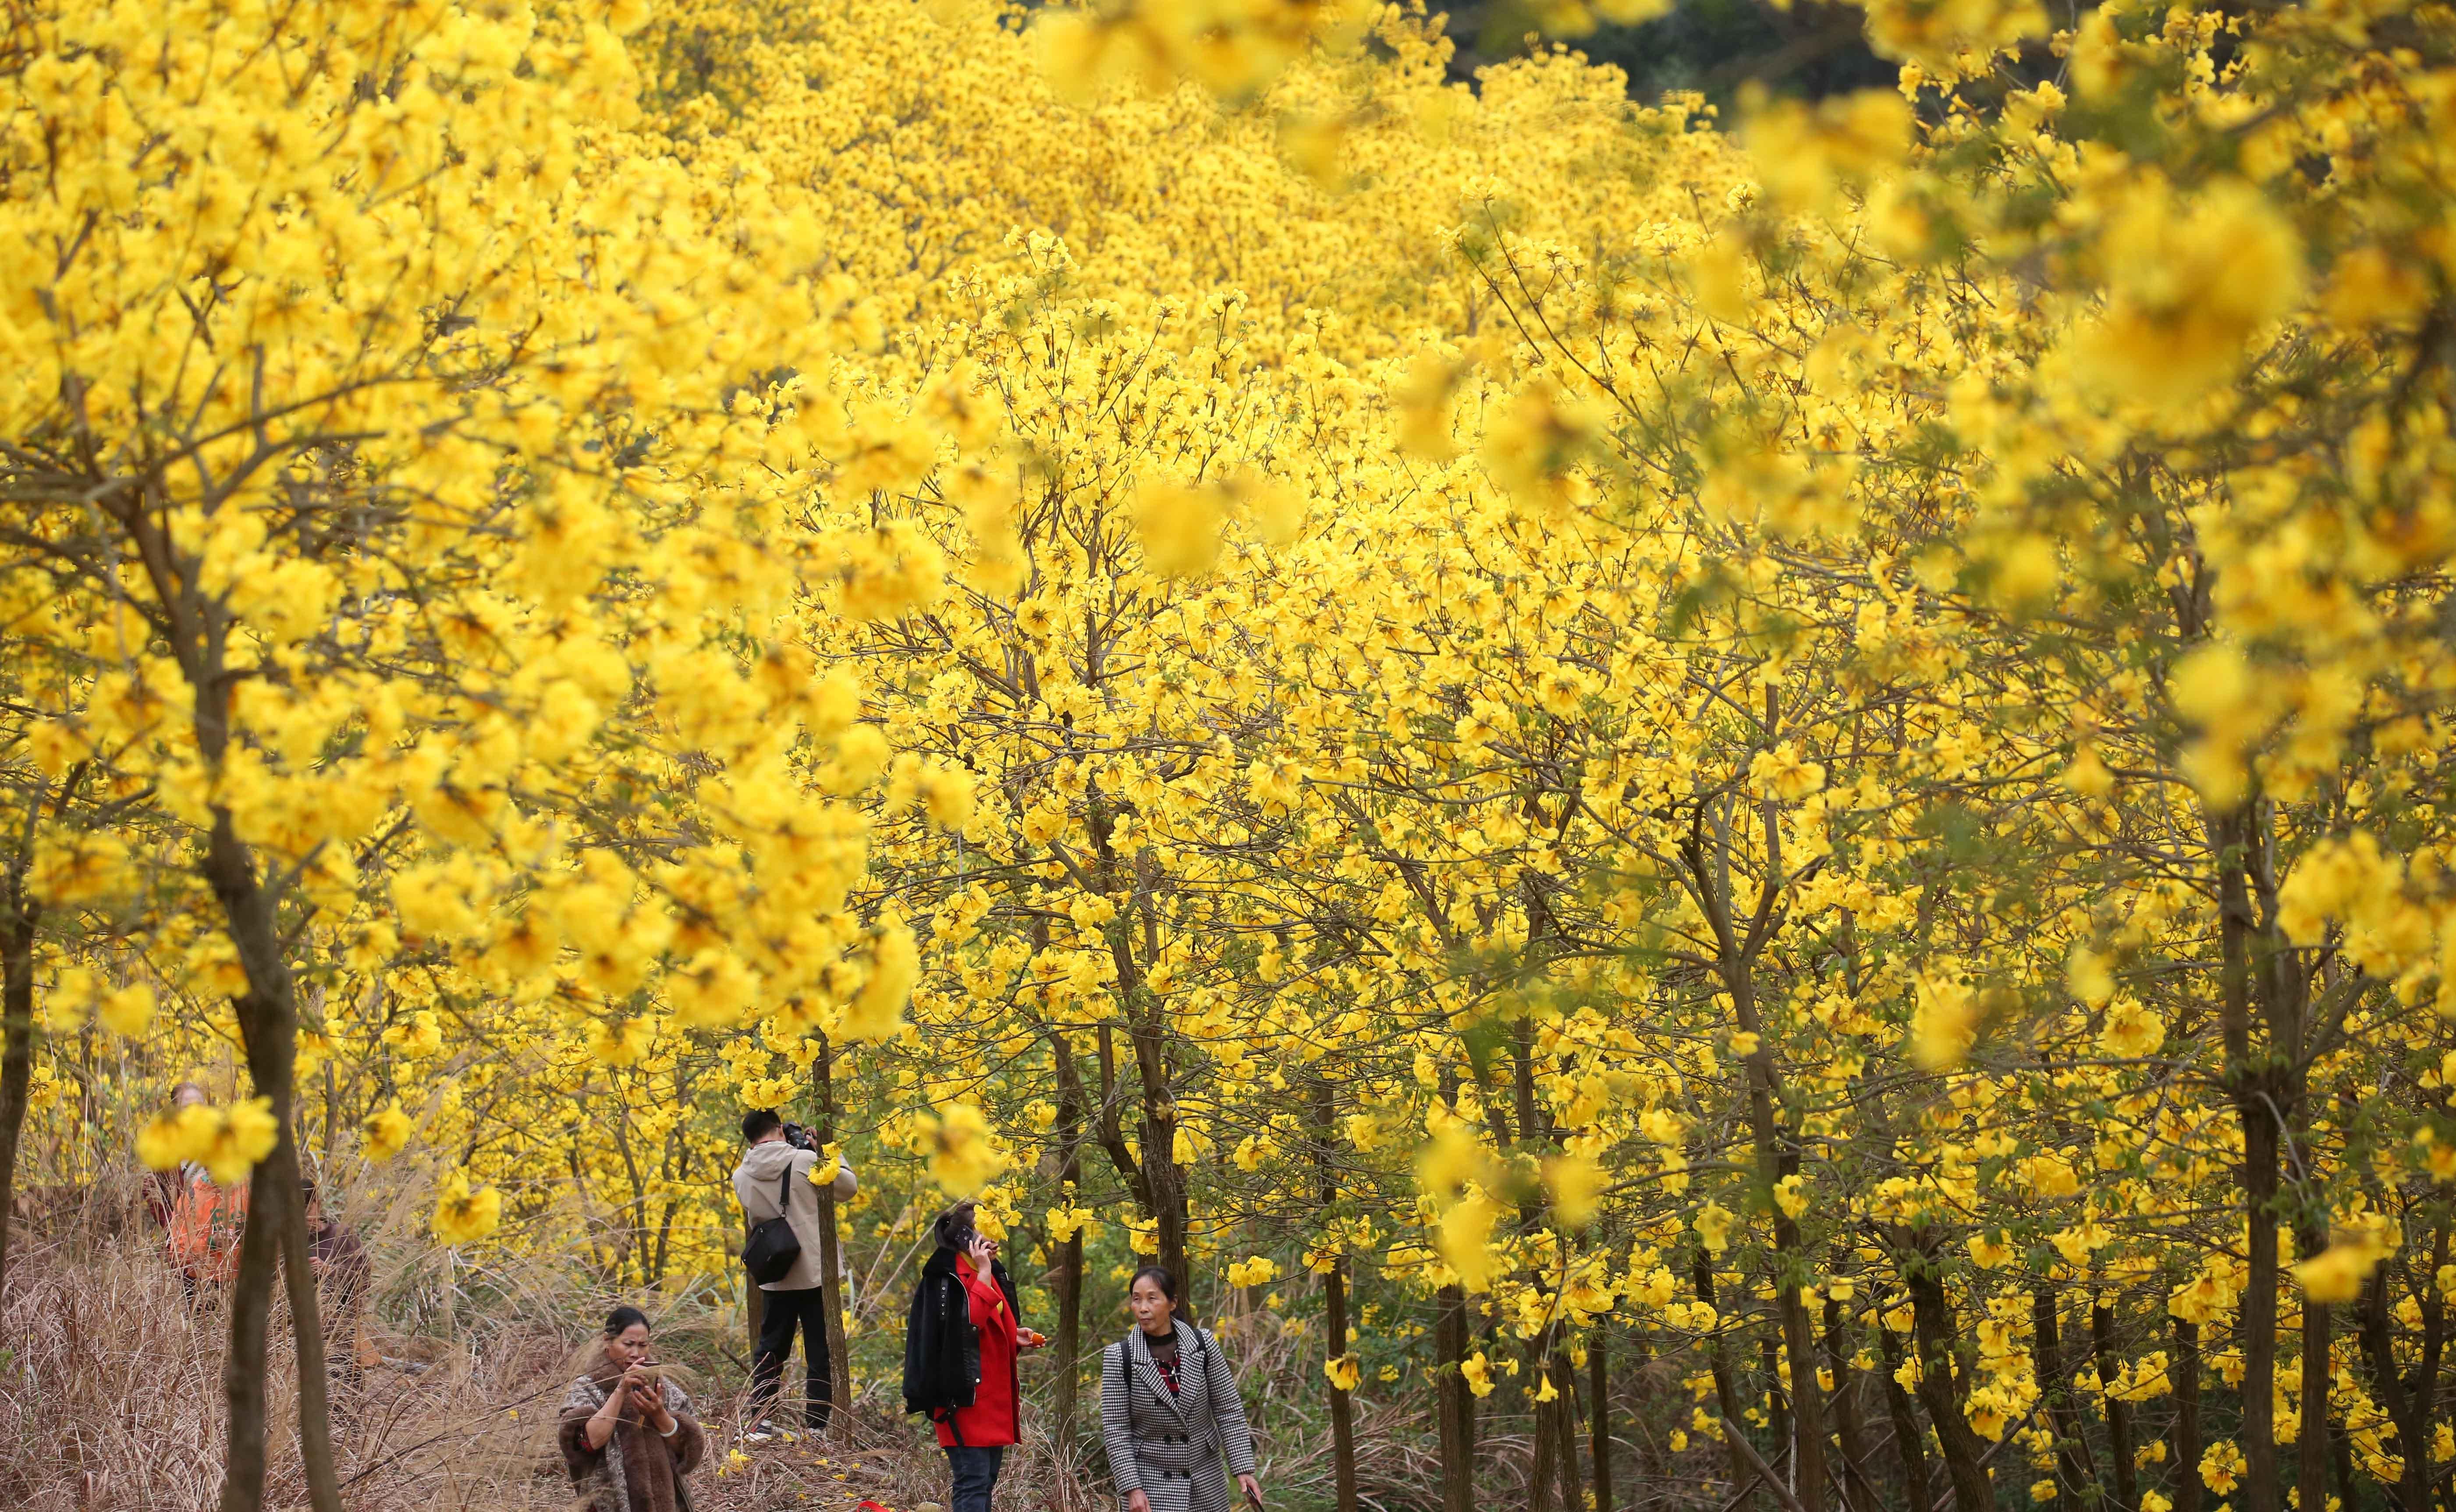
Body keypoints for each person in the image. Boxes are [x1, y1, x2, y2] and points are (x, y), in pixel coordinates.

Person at [902, 1200, 1042, 1512]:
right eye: (987, 1231)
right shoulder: (948, 1278)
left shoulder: (986, 1272)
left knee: (986, 1479)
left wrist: (1014, 1336)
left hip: (990, 1400)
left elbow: (985, 1329)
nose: (995, 1239)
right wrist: (984, 1270)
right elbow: (966, 1325)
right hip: (962, 1400)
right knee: (973, 1480)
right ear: (967, 1238)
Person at [731, 1108, 859, 1439]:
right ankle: (817, 1425)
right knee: (820, 1348)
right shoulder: (803, 1162)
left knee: (771, 1348)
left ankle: (761, 1421)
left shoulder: (740, 1176)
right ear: (778, 1129)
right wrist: (824, 1151)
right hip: (815, 1271)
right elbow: (848, 1188)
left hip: (775, 1269)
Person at [1101, 1265, 1263, 1512]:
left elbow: (1228, 1409)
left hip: (1205, 1480)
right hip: (1151, 1484)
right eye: (1137, 1299)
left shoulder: (1203, 1345)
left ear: (1172, 1303)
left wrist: (1243, 1470)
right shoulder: (1119, 1356)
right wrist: (1132, 1488)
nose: (1143, 1308)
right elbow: (1116, 1429)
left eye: (1152, 1298)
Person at [558, 1304, 706, 1512]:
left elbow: (688, 1451)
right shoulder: (587, 1388)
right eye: (628, 1344)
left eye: (643, 1345)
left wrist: (659, 1414)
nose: (636, 1353)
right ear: (607, 1342)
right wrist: (621, 1391)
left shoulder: (665, 1388)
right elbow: (587, 1443)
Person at [302, 1176, 373, 1405]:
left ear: (318, 1204)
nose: (303, 1217)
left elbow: (363, 1278)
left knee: (342, 1404)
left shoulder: (342, 1236)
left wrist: (329, 1271)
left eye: (307, 1209)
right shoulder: (287, 1241)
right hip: (295, 1337)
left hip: (338, 1336)